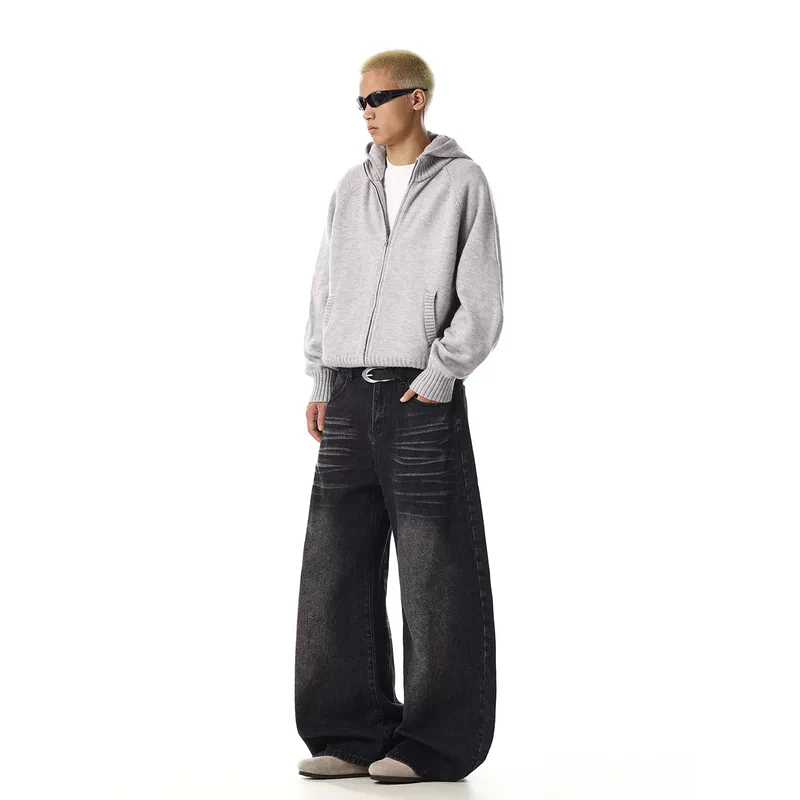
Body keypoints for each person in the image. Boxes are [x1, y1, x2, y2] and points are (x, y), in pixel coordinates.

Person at [295, 49, 504, 784]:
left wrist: (443, 371)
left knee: (434, 569)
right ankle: (350, 732)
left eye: (378, 98)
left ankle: (437, 744)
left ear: (417, 99)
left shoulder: (463, 182)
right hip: (348, 394)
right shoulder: (350, 187)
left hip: (421, 392)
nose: (366, 112)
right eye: (360, 101)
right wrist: (322, 377)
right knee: (334, 566)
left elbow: (483, 295)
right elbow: (326, 285)